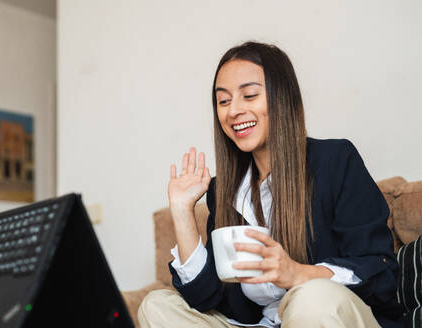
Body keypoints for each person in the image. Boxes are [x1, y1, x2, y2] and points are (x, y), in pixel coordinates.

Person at [138, 41, 404, 328]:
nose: (233, 111)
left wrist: (297, 274)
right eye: (224, 101)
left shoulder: (335, 161)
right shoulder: (225, 191)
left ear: (282, 98)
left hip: (333, 317)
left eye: (249, 95)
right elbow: (206, 299)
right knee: (157, 306)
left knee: (312, 298)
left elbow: (381, 272)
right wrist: (182, 210)